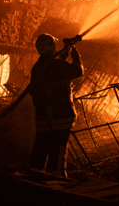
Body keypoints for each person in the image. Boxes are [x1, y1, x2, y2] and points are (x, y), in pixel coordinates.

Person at [28, 34, 83, 176]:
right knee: (57, 150)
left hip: (43, 118)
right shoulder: (55, 65)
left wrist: (64, 53)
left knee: (40, 149)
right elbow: (77, 71)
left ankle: (34, 176)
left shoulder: (39, 66)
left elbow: (57, 69)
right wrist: (76, 56)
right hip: (61, 116)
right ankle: (56, 178)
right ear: (52, 45)